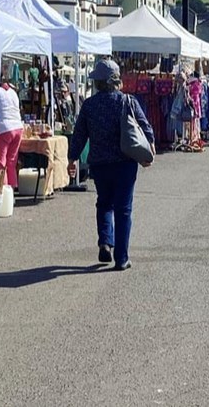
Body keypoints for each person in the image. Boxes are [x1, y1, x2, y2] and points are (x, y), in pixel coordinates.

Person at [68, 59, 155, 271]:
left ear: (97, 83)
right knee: (123, 210)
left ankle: (105, 241)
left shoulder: (89, 105)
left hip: (100, 164)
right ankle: (122, 258)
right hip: (125, 163)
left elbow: (79, 136)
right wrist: (149, 150)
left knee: (104, 203)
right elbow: (146, 128)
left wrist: (71, 159)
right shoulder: (128, 101)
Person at [0, 78, 23, 187]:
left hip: (4, 127)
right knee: (11, 162)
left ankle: (3, 190)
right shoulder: (13, 92)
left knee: (1, 163)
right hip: (18, 127)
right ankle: (12, 189)